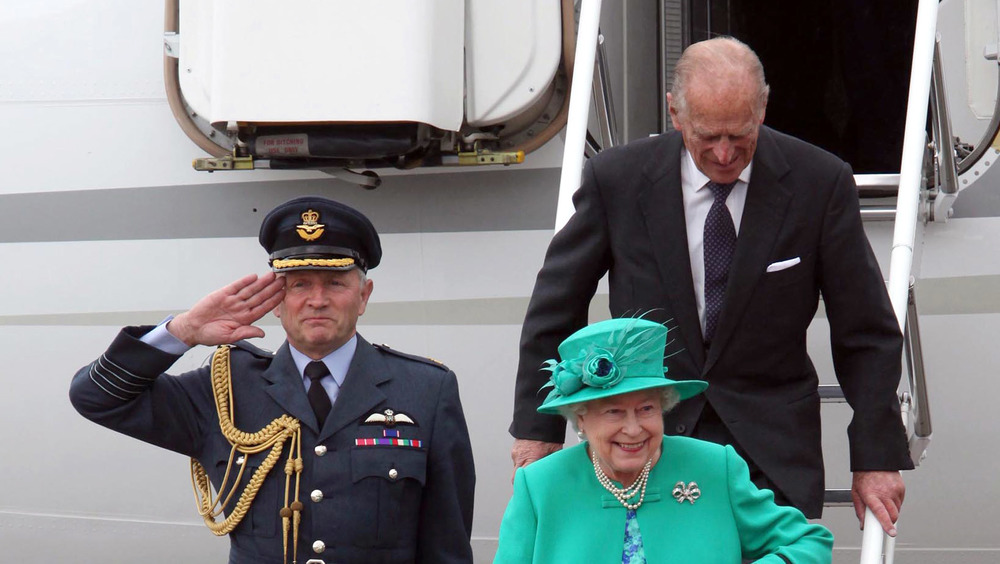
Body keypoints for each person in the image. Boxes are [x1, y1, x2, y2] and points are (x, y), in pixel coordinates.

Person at [509, 36, 912, 534]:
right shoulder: (617, 180)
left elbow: (865, 331)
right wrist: (537, 426)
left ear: (762, 110)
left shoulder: (819, 182)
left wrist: (875, 455)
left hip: (771, 454)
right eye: (708, 136)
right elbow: (556, 306)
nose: (724, 154)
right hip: (646, 446)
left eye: (740, 136)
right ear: (675, 114)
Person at [70, 196, 475, 564]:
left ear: (364, 295)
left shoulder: (426, 389)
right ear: (277, 301)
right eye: (299, 284)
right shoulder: (224, 388)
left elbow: (447, 545)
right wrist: (184, 330)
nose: (317, 299)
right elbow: (96, 398)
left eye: (335, 283)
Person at [495, 318, 833, 563]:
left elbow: (809, 542)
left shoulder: (714, 466)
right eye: (613, 412)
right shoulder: (540, 485)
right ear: (581, 418)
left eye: (646, 408)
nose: (633, 428)